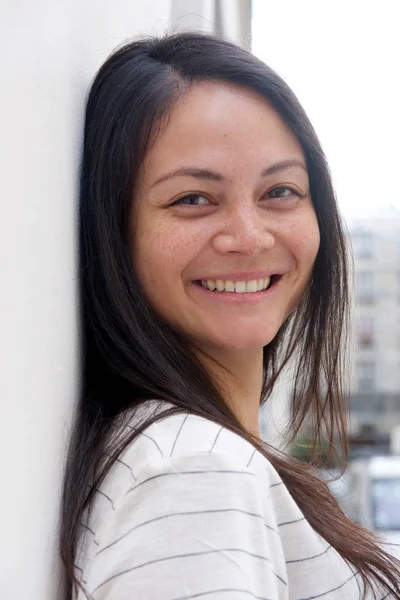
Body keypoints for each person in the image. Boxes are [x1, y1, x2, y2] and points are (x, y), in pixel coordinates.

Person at [60, 32, 400, 599]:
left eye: (281, 191)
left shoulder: (196, 451)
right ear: (114, 232)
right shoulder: (193, 472)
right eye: (192, 198)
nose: (248, 235)